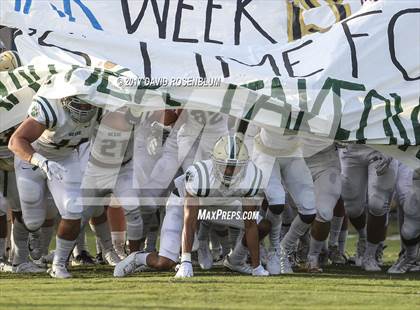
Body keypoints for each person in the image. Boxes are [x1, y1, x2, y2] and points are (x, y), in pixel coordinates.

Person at [114, 134, 269, 277]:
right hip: (182, 203)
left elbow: (250, 224)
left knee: (262, 224)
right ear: (214, 161)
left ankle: (236, 260)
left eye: (236, 166)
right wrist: (186, 260)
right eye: (225, 165)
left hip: (219, 206)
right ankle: (138, 258)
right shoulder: (199, 175)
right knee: (165, 262)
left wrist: (257, 267)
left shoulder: (252, 176)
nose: (230, 171)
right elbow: (189, 220)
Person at [8, 95, 119, 278]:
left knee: (73, 210)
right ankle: (19, 261)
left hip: (65, 158)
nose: (83, 108)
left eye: (87, 103)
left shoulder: (100, 107)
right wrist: (41, 161)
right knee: (32, 220)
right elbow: (16, 141)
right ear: (65, 99)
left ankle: (59, 265)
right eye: (79, 102)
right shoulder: (49, 106)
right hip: (31, 158)